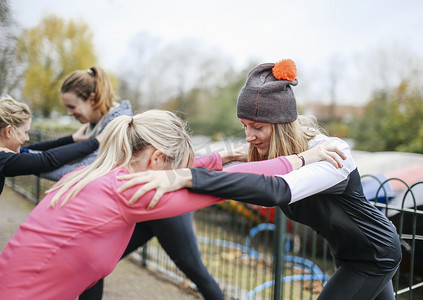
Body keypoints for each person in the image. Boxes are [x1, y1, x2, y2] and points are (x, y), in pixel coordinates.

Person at [117, 59, 402, 300]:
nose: (249, 136)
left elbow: (277, 190)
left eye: (258, 127)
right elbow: (241, 178)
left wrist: (190, 178)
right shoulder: (270, 155)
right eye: (244, 127)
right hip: (348, 253)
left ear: (281, 126)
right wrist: (194, 170)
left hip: (375, 254)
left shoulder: (330, 153)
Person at [0, 109, 340, 299]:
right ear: (158, 158)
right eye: (173, 169)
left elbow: (187, 174)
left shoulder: (100, 175)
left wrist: (223, 155)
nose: (176, 177)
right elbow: (224, 188)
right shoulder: (132, 192)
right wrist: (300, 160)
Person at [53, 66, 225, 300]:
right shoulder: (92, 128)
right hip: (135, 204)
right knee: (92, 262)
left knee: (194, 270)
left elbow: (88, 170)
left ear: (91, 99)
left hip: (161, 204)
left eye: (72, 107)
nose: (70, 113)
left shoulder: (114, 126)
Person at [0, 96, 100, 196]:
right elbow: (46, 160)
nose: (27, 138)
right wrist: (97, 141)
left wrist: (73, 138)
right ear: (8, 131)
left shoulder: (4, 154)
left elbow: (31, 150)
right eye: (25, 132)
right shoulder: (2, 158)